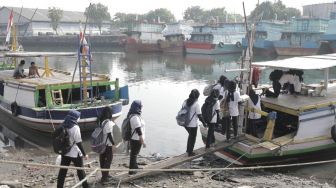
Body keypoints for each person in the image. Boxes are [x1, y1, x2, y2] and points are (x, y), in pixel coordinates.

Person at [57, 110, 89, 188]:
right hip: (75, 153)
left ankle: (59, 186)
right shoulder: (75, 127)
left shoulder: (63, 125)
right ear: (75, 118)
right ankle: (86, 186)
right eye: (78, 117)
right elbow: (79, 142)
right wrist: (85, 154)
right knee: (80, 171)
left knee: (62, 172)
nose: (79, 119)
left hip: (65, 152)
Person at [182, 89, 207, 156]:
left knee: (190, 136)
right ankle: (190, 152)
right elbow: (200, 116)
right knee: (192, 138)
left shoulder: (185, 101)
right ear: (197, 97)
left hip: (185, 123)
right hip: (192, 125)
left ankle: (188, 150)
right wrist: (204, 124)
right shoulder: (196, 104)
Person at [99, 106, 116, 183]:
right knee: (108, 161)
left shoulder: (102, 121)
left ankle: (105, 174)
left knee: (102, 160)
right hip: (108, 145)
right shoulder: (108, 123)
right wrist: (113, 144)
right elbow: (109, 135)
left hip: (102, 143)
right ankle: (104, 178)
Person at [128, 100, 146, 175]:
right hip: (136, 139)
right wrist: (141, 138)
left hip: (136, 138)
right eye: (140, 106)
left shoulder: (135, 115)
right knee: (134, 154)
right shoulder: (134, 117)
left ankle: (135, 166)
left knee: (135, 153)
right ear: (137, 107)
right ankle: (131, 171)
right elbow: (138, 128)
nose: (141, 107)